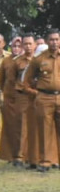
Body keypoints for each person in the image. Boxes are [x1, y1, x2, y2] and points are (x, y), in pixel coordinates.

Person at [22, 31, 60, 173]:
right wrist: (36, 93)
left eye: (57, 40)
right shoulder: (38, 60)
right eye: (51, 40)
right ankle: (45, 161)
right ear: (46, 41)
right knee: (45, 130)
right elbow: (26, 81)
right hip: (45, 97)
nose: (54, 42)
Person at [0, 35, 33, 165]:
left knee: (27, 126)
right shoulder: (11, 62)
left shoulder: (36, 60)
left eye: (21, 45)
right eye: (16, 45)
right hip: (13, 97)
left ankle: (25, 155)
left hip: (30, 97)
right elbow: (4, 81)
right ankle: (14, 155)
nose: (18, 48)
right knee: (13, 127)